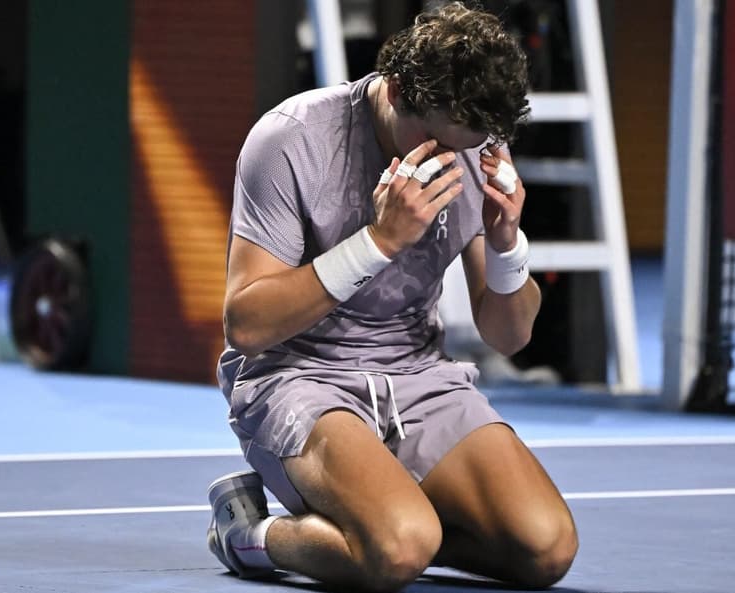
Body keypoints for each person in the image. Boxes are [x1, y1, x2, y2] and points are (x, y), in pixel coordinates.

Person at [208, 3, 578, 590]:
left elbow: (509, 335)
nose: (442, 161)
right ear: (397, 89)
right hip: (298, 376)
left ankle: (387, 522)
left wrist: (507, 245)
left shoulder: (473, 153)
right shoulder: (291, 139)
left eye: (462, 146)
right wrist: (379, 242)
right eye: (430, 139)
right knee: (401, 548)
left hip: (416, 376)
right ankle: (251, 535)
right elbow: (246, 326)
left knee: (545, 549)